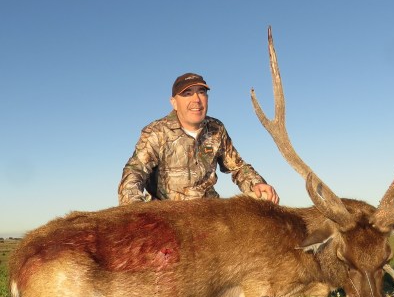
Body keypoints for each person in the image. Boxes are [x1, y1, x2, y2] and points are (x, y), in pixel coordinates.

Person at [118, 72, 279, 205]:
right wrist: (135, 210)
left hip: (209, 213)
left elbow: (238, 168)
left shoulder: (216, 129)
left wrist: (257, 183)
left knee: (263, 201)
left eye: (201, 92)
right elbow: (135, 171)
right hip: (169, 217)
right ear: (174, 103)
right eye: (187, 94)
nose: (196, 99)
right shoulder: (156, 132)